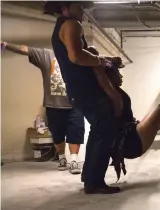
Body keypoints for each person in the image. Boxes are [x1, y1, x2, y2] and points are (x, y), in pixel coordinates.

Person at [47, 1, 124, 194]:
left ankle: (91, 178)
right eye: (78, 6)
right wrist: (101, 62)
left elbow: (79, 54)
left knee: (99, 130)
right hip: (86, 89)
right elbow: (76, 56)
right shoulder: (72, 24)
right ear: (65, 7)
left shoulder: (61, 26)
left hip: (77, 90)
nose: (83, 10)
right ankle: (94, 182)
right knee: (104, 130)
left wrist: (104, 59)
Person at [87, 46, 160, 181]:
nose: (121, 75)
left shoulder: (114, 91)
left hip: (132, 134)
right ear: (108, 76)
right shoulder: (111, 92)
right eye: (117, 73)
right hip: (131, 142)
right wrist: (99, 64)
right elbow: (94, 57)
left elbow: (110, 63)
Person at [1, 41, 85, 174]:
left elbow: (97, 60)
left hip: (76, 104)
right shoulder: (47, 55)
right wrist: (5, 45)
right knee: (57, 134)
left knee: (76, 133)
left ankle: (73, 161)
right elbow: (26, 49)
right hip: (53, 105)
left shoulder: (79, 57)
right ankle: (62, 159)